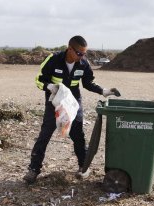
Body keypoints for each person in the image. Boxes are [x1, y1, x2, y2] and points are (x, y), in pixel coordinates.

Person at [23, 35, 120, 184]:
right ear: (70, 49)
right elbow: (39, 79)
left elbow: (88, 83)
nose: (82, 56)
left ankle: (83, 166)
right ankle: (33, 170)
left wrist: (103, 91)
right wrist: (49, 86)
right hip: (54, 102)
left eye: (84, 53)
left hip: (73, 102)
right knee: (45, 135)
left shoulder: (83, 63)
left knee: (78, 135)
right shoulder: (53, 59)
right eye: (79, 53)